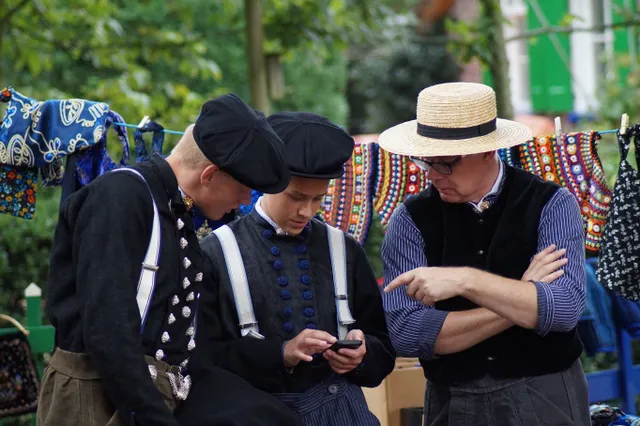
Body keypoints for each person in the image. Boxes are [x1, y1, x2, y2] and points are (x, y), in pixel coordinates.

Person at [38, 93, 303, 426]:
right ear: (209, 175)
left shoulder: (177, 209)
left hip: (157, 390)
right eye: (243, 188)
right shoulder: (120, 197)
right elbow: (109, 332)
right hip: (97, 396)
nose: (244, 201)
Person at [379, 82, 590, 425]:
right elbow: (407, 332)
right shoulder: (410, 219)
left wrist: (465, 281)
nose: (433, 175)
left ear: (487, 151)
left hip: (545, 394)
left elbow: (563, 310)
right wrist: (520, 298)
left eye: (445, 163)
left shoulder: (551, 203)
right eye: (426, 162)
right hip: (453, 398)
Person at [194, 111, 396, 426]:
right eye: (296, 197)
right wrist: (282, 353)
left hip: (343, 412)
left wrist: (363, 354)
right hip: (254, 415)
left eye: (319, 199)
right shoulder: (214, 253)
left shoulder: (345, 250)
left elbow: (383, 348)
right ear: (266, 180)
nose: (306, 211)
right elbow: (201, 362)